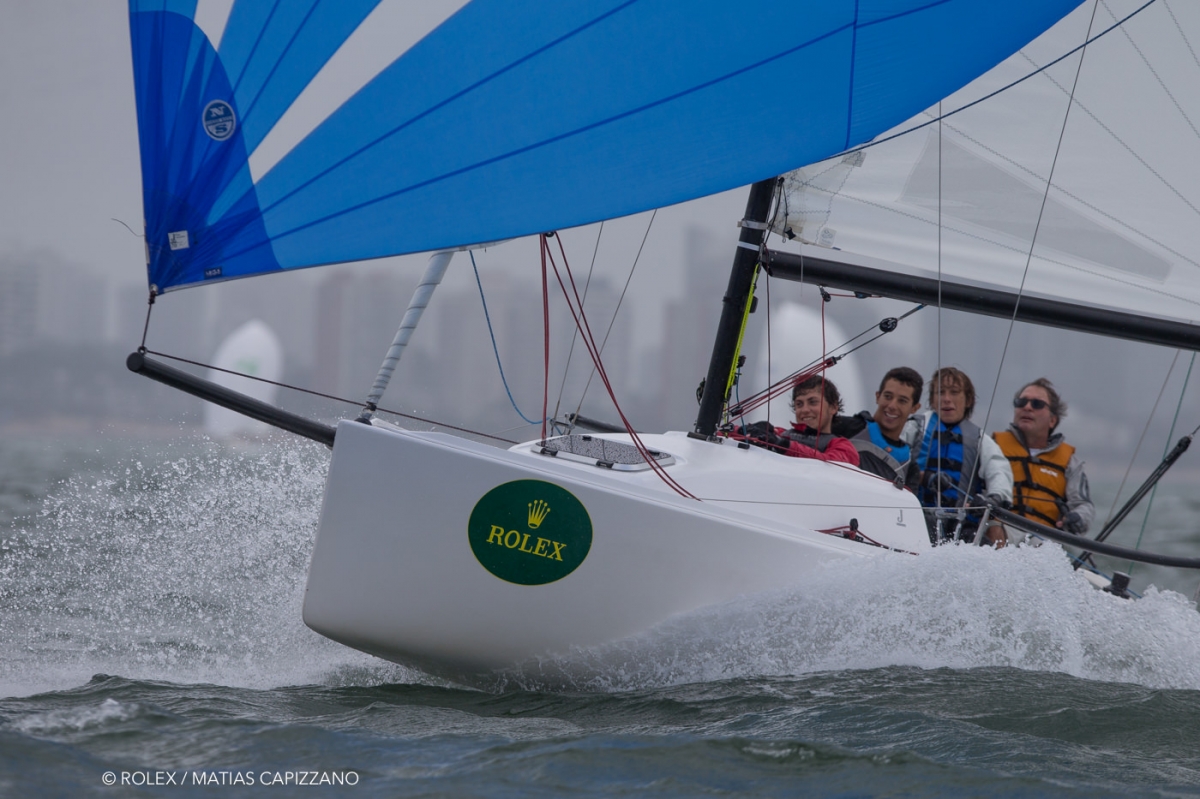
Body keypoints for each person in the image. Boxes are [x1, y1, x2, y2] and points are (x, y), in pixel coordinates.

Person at [907, 367, 1013, 546]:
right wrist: (925, 478)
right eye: (940, 392)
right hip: (916, 519)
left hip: (962, 527)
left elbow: (999, 472)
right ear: (932, 400)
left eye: (954, 392)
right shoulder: (915, 428)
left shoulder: (980, 441)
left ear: (968, 400)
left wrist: (992, 499)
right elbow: (897, 462)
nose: (947, 399)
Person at [992, 378, 1094, 535]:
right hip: (998, 532)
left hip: (1044, 539)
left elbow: (1083, 504)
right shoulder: (992, 447)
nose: (1027, 407)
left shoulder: (1071, 463)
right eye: (1021, 402)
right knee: (994, 531)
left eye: (1037, 404)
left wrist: (1077, 518)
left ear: (1052, 420)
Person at [734, 374, 860, 465]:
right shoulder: (778, 433)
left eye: (813, 402)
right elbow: (724, 434)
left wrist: (783, 445)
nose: (804, 410)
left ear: (833, 407)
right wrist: (743, 431)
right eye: (799, 404)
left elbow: (830, 465)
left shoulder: (843, 446)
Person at [831, 366, 924, 488]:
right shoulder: (846, 427)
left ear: (915, 408)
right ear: (877, 397)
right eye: (888, 396)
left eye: (902, 401)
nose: (892, 406)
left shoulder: (910, 467)